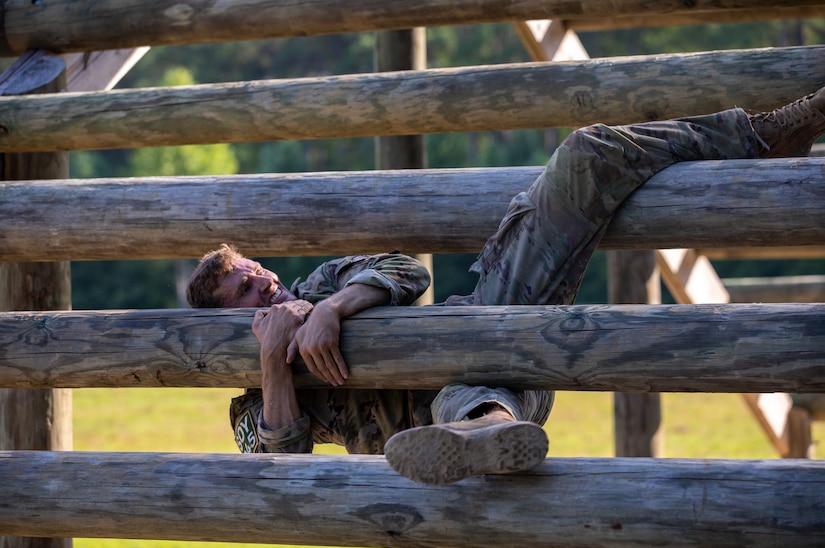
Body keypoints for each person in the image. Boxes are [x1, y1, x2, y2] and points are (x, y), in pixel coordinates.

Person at [187, 86, 825, 484]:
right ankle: (488, 428)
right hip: (471, 400)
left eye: (255, 271)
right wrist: (274, 360)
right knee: (462, 398)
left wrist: (333, 306)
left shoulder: (321, 280)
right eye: (243, 291)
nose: (264, 284)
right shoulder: (247, 403)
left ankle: (761, 134)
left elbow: (409, 272)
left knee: (584, 152)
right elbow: (280, 468)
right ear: (225, 322)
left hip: (491, 315)